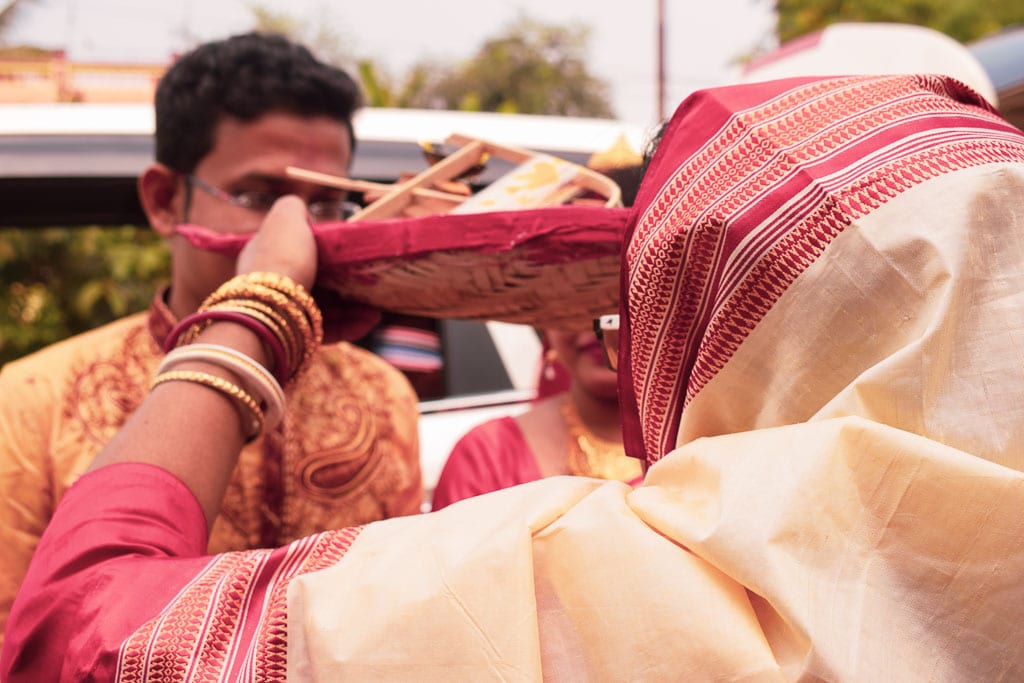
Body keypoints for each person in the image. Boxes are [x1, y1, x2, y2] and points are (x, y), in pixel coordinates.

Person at [4, 73, 1024, 680]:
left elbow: (78, 638)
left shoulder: (639, 579)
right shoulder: (34, 396)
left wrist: (257, 310)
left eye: (656, 291)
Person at [0, 31, 423, 645]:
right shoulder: (33, 399)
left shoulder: (381, 395)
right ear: (166, 201)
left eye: (327, 203)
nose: (296, 233)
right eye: (259, 197)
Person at [431, 323, 642, 510]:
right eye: (575, 310)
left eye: (618, 301)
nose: (602, 326)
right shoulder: (487, 456)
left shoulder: (677, 447)